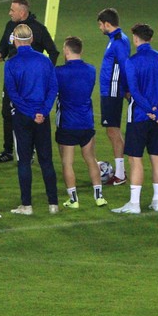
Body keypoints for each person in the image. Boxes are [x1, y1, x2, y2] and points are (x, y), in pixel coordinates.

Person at [112, 24, 158, 214]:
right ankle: (157, 202)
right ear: (150, 38)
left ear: (135, 38)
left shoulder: (132, 62)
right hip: (157, 120)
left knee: (135, 159)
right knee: (156, 158)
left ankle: (134, 204)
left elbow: (134, 92)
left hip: (138, 117)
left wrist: (150, 110)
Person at [0, 0, 59, 163]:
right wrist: (1, 54)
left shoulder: (38, 29)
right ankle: (8, 151)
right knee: (7, 113)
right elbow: (3, 46)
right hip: (13, 76)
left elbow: (53, 52)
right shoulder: (10, 26)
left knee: (30, 112)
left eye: (12, 10)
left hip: (31, 81)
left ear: (22, 12)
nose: (10, 13)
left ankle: (30, 150)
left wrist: (45, 72)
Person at [4, 24, 59, 215]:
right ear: (32, 39)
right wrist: (42, 112)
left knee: (24, 161)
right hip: (41, 118)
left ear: (16, 41)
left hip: (22, 117)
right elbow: (53, 88)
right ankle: (53, 204)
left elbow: (12, 93)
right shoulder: (44, 61)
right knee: (46, 161)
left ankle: (26, 205)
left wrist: (28, 112)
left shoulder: (11, 63)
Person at [54, 36, 107, 209]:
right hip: (86, 123)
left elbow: (54, 92)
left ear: (67, 51)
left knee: (67, 163)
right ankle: (99, 197)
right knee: (91, 159)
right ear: (80, 51)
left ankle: (74, 199)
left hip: (67, 124)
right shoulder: (91, 70)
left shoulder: (59, 72)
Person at [96, 7, 130, 185]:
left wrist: (126, 90)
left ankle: (120, 174)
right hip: (110, 90)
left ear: (107, 24)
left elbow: (125, 66)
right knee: (112, 131)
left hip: (113, 91)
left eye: (101, 25)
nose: (100, 28)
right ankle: (120, 172)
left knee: (113, 131)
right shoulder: (115, 39)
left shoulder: (118, 41)